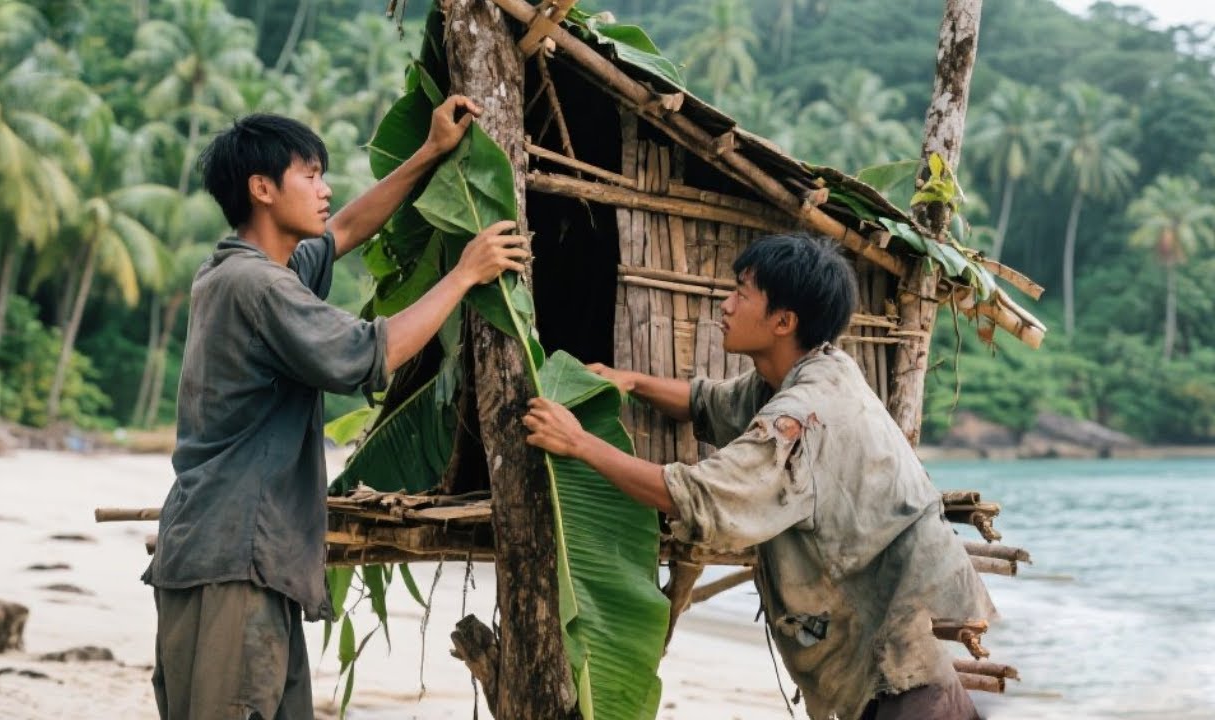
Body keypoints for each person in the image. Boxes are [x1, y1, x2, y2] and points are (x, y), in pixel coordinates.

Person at [143, 97, 528, 720]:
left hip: (226, 551)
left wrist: (428, 153)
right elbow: (368, 355)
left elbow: (345, 229)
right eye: (311, 175)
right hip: (235, 556)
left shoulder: (235, 271)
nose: (325, 190)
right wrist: (462, 276)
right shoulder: (260, 286)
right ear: (262, 188)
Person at [523, 233, 995, 720]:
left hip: (904, 675)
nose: (724, 306)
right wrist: (631, 381)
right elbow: (704, 401)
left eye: (742, 294)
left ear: (783, 322)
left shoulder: (803, 414)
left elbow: (698, 500)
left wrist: (578, 442)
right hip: (898, 662)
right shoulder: (807, 372)